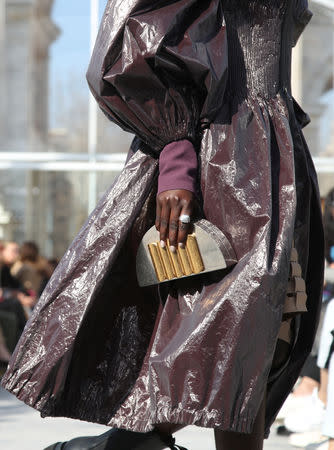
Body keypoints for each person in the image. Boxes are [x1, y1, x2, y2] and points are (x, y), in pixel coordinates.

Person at [2, 1, 324, 450]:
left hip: (275, 161)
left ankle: (118, 447)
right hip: (221, 161)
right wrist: (176, 157)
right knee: (240, 341)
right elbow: (126, 48)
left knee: (263, 346)